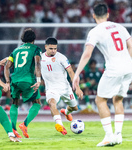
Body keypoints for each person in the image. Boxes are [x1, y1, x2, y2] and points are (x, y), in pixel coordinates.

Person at [72, 3, 132, 147]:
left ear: (93, 15)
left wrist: (77, 73)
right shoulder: (120, 27)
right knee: (118, 100)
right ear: (108, 14)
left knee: (100, 100)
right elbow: (131, 46)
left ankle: (108, 136)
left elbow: (87, 54)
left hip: (114, 69)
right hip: (128, 67)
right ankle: (118, 136)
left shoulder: (95, 31)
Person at [41, 37, 83, 135]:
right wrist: (9, 59)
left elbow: (71, 72)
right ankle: (60, 125)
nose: (53, 51)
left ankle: (66, 112)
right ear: (45, 47)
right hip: (51, 88)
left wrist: (77, 87)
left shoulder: (62, 58)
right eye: (51, 48)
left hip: (65, 88)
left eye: (55, 48)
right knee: (52, 103)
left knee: (75, 108)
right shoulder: (40, 58)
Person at [4, 28, 42, 138]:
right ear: (34, 39)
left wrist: (7, 82)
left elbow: (7, 67)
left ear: (22, 39)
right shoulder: (36, 49)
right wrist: (38, 80)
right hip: (27, 80)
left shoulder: (15, 51)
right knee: (37, 102)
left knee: (15, 103)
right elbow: (37, 64)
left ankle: (13, 128)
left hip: (15, 80)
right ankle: (24, 124)